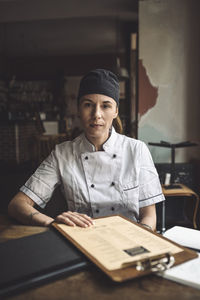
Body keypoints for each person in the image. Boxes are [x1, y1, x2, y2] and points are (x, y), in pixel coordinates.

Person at [8, 69, 165, 231]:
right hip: (82, 241)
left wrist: (143, 239)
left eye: (105, 106)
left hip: (130, 239)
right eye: (88, 105)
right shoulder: (62, 154)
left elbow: (149, 215)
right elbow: (17, 204)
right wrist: (53, 224)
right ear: (78, 109)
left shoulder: (136, 150)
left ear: (116, 111)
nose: (96, 114)